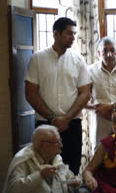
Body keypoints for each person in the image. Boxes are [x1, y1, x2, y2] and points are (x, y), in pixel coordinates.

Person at [25, 17, 92, 176]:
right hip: (45, 125)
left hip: (72, 125)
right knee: (45, 169)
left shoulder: (78, 60)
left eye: (74, 34)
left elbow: (85, 93)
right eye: (69, 33)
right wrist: (52, 117)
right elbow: (30, 93)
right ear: (56, 33)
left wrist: (66, 119)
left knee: (71, 169)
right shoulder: (37, 59)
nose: (73, 37)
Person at [1, 125, 82, 193]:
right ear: (43, 145)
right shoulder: (24, 160)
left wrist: (74, 183)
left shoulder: (57, 159)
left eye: (60, 140)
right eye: (56, 142)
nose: (61, 145)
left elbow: (68, 181)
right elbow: (13, 190)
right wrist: (40, 175)